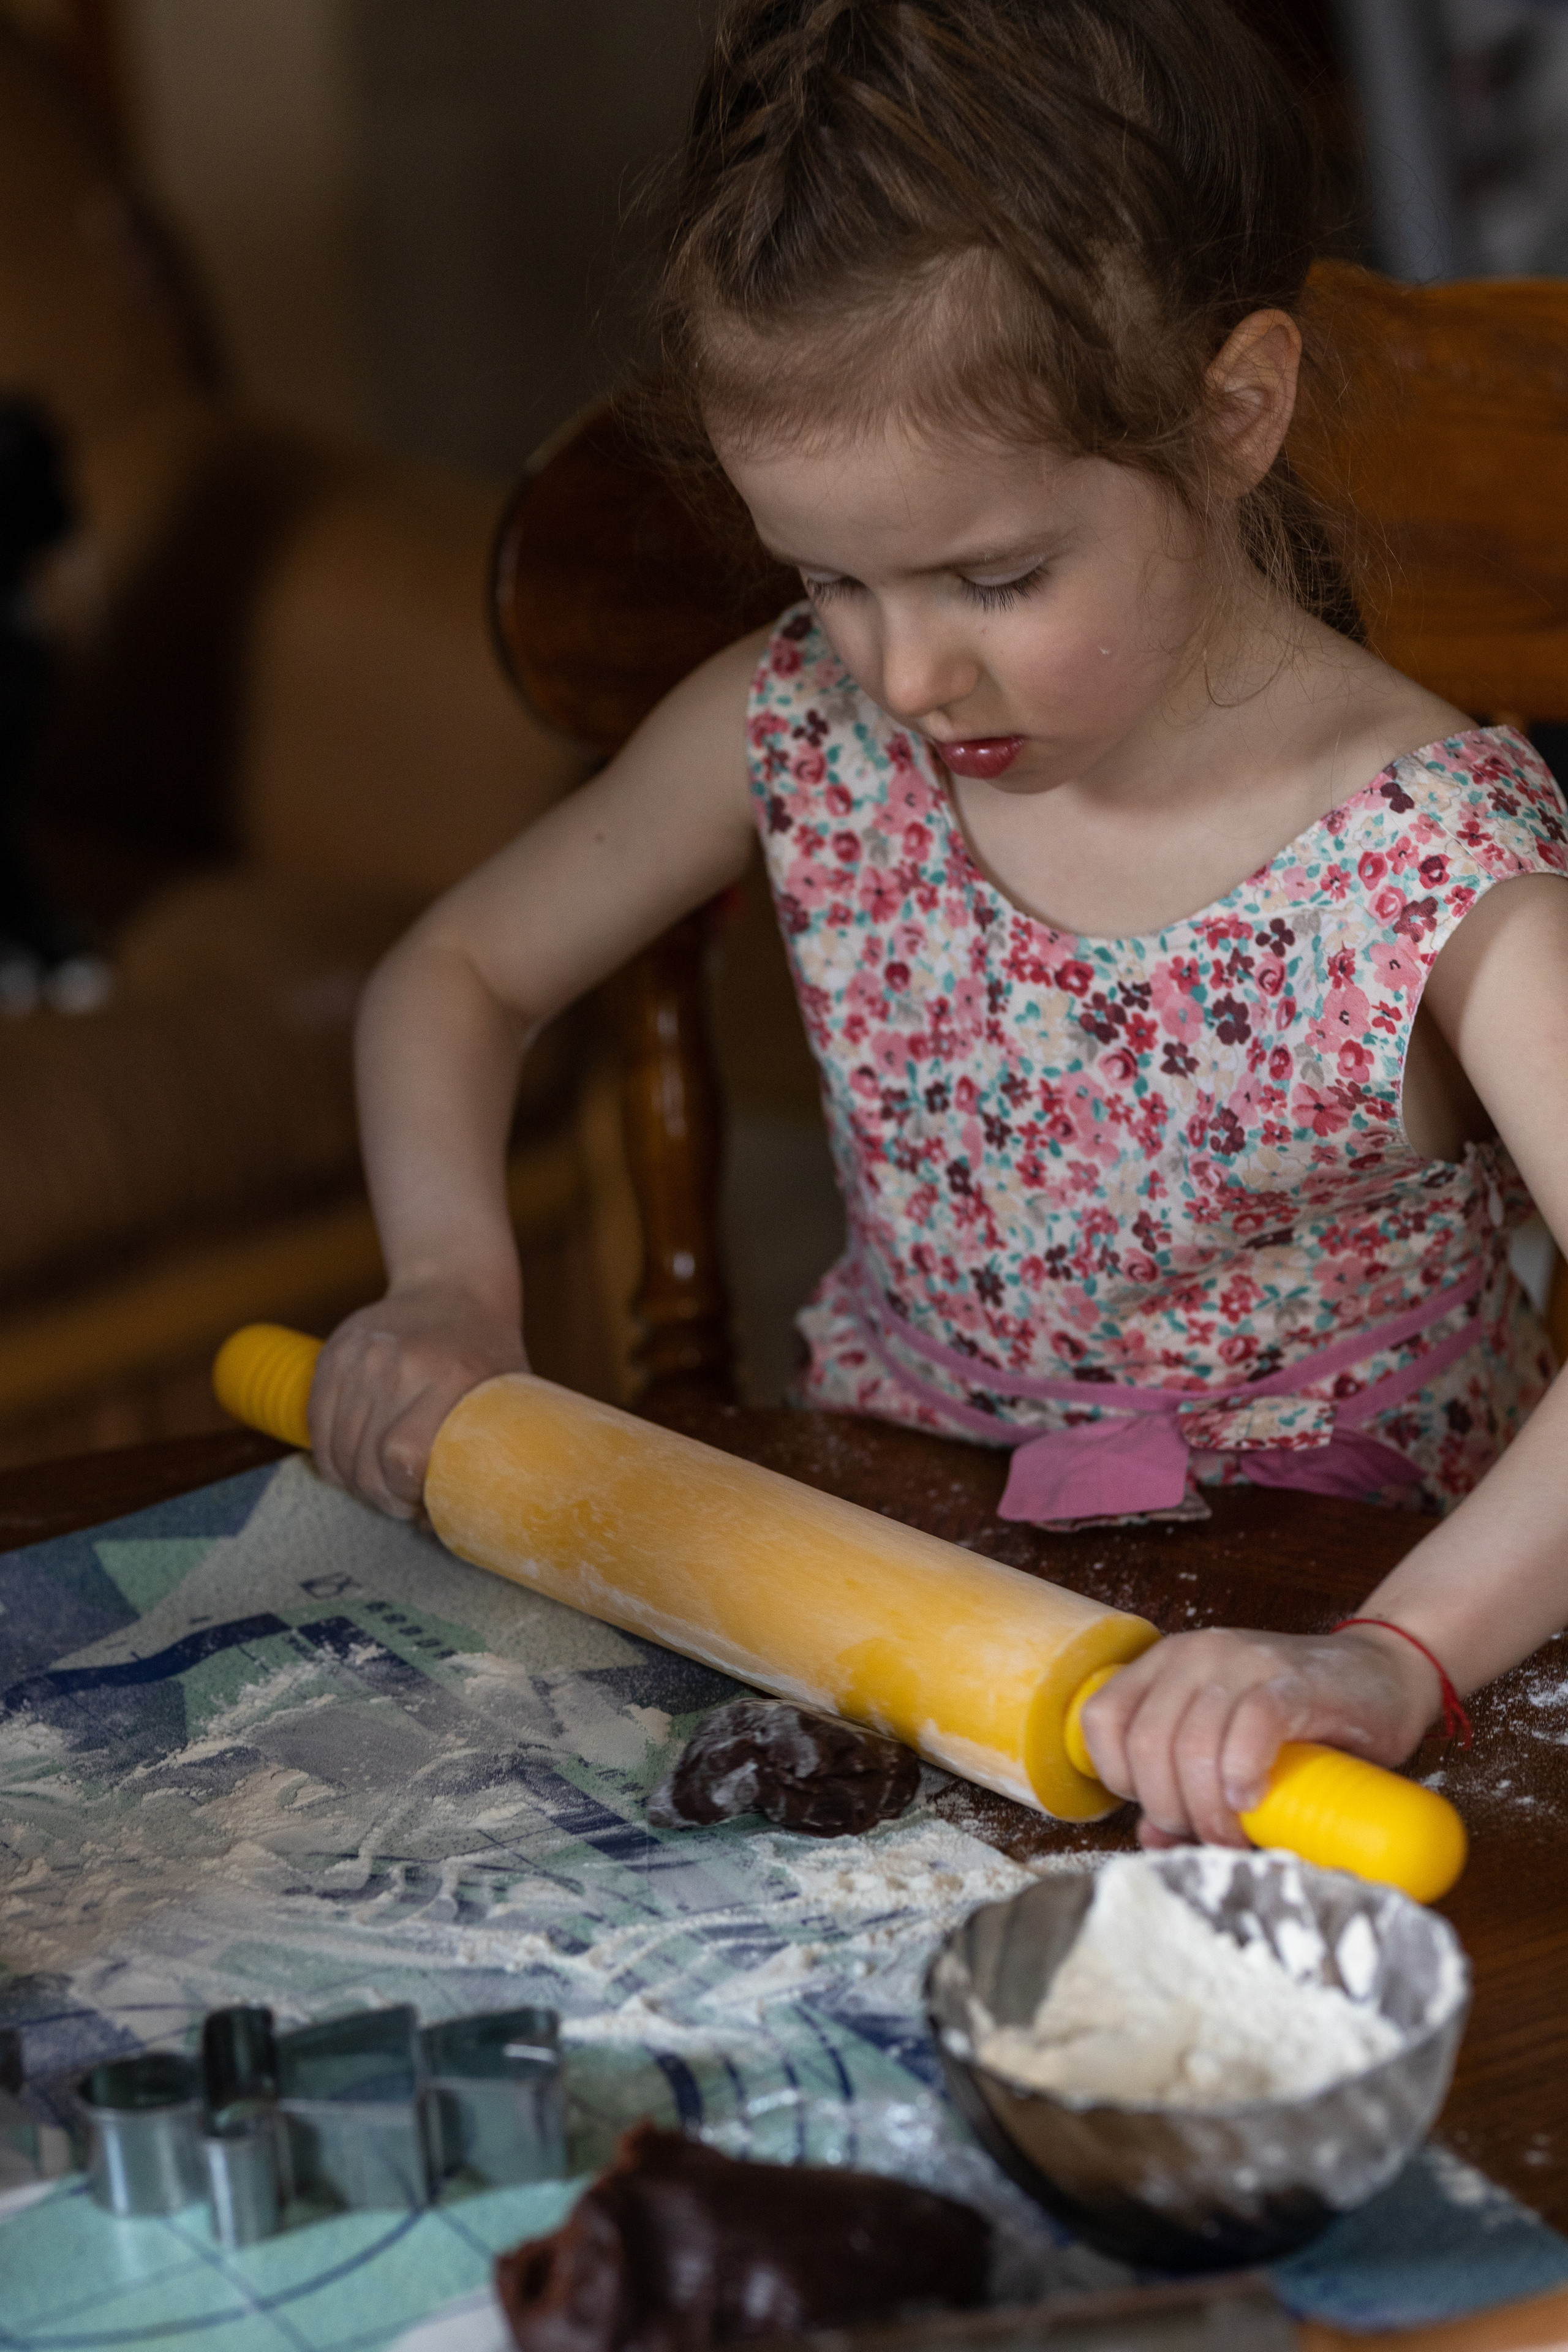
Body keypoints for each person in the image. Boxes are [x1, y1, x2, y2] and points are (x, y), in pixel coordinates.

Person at [311, 0, 1568, 1853]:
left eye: (997, 575)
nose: (904, 670)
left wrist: (1391, 1659)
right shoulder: (803, 727)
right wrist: (450, 1284)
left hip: (1304, 1673)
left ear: (1234, 414)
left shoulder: (1426, 867)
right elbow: (460, 974)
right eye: (830, 578)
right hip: (890, 1590)